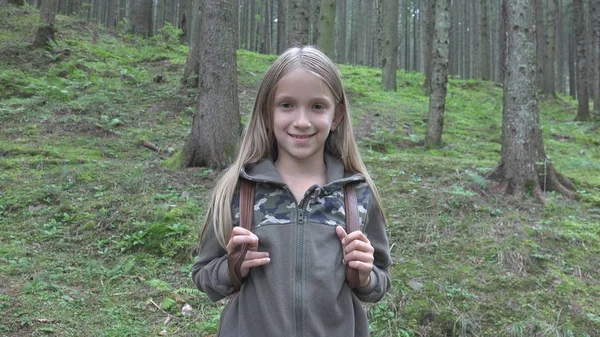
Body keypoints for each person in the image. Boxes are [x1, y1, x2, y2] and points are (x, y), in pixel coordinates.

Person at [192, 45, 391, 337]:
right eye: (286, 105)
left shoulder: (356, 194)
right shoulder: (238, 190)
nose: (301, 121)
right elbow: (203, 274)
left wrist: (364, 276)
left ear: (336, 116)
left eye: (317, 106)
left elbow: (380, 278)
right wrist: (232, 267)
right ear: (268, 111)